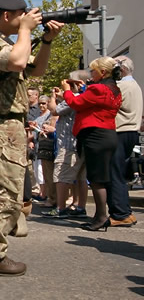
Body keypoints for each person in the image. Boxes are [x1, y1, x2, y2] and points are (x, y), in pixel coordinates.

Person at [0, 0, 63, 276]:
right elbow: (18, 63)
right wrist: (26, 31)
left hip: (3, 125)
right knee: (5, 194)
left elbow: (36, 69)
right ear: (7, 16)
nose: (28, 19)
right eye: (23, 15)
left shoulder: (7, 42)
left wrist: (45, 41)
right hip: (1, 126)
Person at [61, 56, 122, 231]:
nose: (90, 73)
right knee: (102, 177)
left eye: (93, 71)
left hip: (95, 135)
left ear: (103, 72)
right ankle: (101, 215)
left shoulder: (97, 89)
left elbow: (75, 103)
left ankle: (101, 217)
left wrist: (67, 90)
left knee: (96, 179)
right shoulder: (113, 89)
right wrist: (83, 89)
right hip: (108, 134)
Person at [41, 70, 90, 219]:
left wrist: (54, 96)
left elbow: (54, 110)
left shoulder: (74, 97)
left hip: (68, 143)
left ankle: (60, 208)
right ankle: (80, 207)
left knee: (61, 176)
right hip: (79, 143)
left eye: (69, 82)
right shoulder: (84, 96)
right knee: (81, 177)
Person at [108, 56, 142, 227]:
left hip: (120, 131)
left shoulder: (121, 86)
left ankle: (121, 213)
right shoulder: (134, 85)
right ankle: (123, 211)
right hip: (130, 132)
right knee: (119, 172)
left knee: (114, 173)